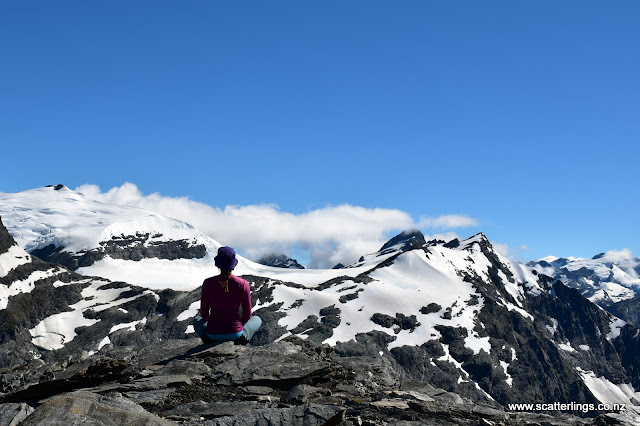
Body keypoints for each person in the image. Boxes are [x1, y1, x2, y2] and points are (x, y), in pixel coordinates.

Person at [193, 246, 262, 344]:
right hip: (235, 334)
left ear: (218, 264)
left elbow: (204, 314)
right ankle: (243, 338)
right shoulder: (243, 284)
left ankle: (209, 339)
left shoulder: (207, 283)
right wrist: (237, 325)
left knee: (197, 320)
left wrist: (215, 325)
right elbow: (247, 315)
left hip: (212, 334)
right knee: (257, 319)